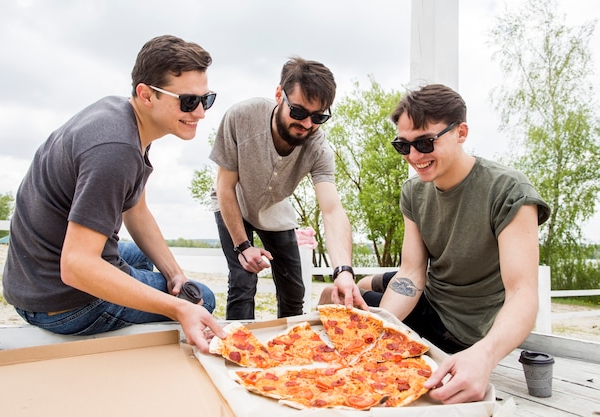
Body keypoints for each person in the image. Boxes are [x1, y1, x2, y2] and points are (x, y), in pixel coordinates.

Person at [319, 83, 550, 404]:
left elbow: (524, 294)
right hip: (430, 296)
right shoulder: (413, 193)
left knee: (350, 301)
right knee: (351, 303)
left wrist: (484, 355)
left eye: (426, 143)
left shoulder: (509, 190)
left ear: (462, 132)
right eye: (404, 146)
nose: (414, 156)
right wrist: (379, 333)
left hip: (463, 330)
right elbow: (412, 274)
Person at [2, 35, 225, 353]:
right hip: (60, 302)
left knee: (164, 271)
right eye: (188, 102)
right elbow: (77, 265)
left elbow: (136, 210)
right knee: (203, 299)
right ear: (146, 95)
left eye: (207, 99)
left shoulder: (123, 118)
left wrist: (175, 275)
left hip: (32, 278)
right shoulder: (116, 150)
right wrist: (177, 308)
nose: (201, 113)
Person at [209, 56, 366, 320]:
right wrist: (243, 246)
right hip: (233, 202)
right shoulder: (241, 117)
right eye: (299, 112)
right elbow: (225, 187)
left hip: (275, 210)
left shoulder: (319, 148)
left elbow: (332, 210)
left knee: (295, 291)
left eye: (318, 117)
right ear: (279, 94)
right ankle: (237, 349)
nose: (307, 124)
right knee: (243, 281)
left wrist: (344, 271)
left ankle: (292, 348)